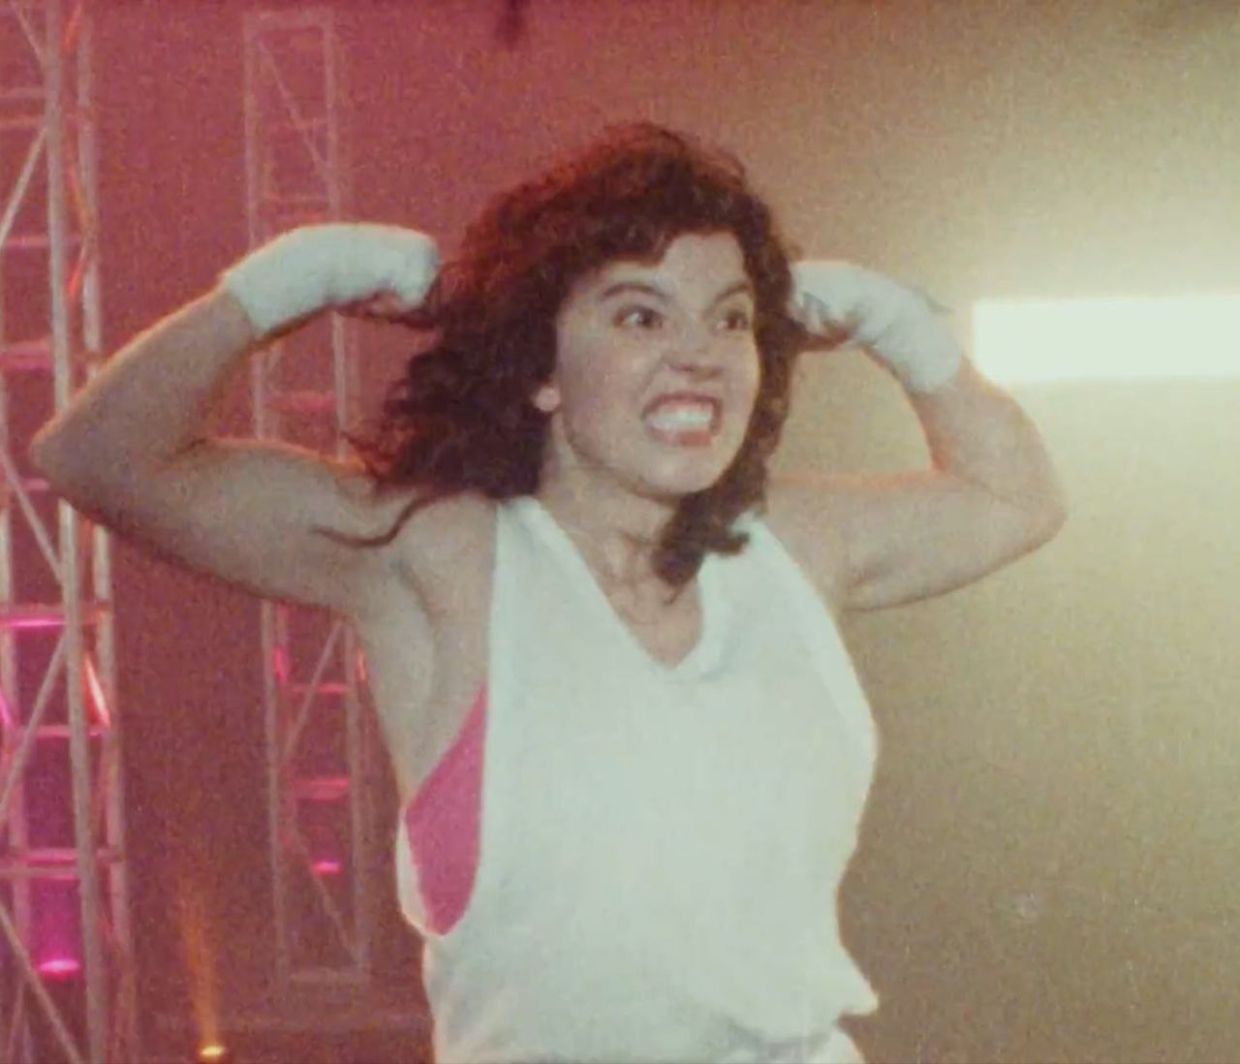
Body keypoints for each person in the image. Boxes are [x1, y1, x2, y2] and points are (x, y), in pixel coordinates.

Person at [30, 124, 1065, 1063]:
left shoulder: (792, 546)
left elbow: (1017, 499)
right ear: (544, 371)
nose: (697, 356)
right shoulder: (448, 557)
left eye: (730, 319)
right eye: (641, 315)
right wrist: (291, 280)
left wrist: (901, 326)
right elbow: (99, 456)